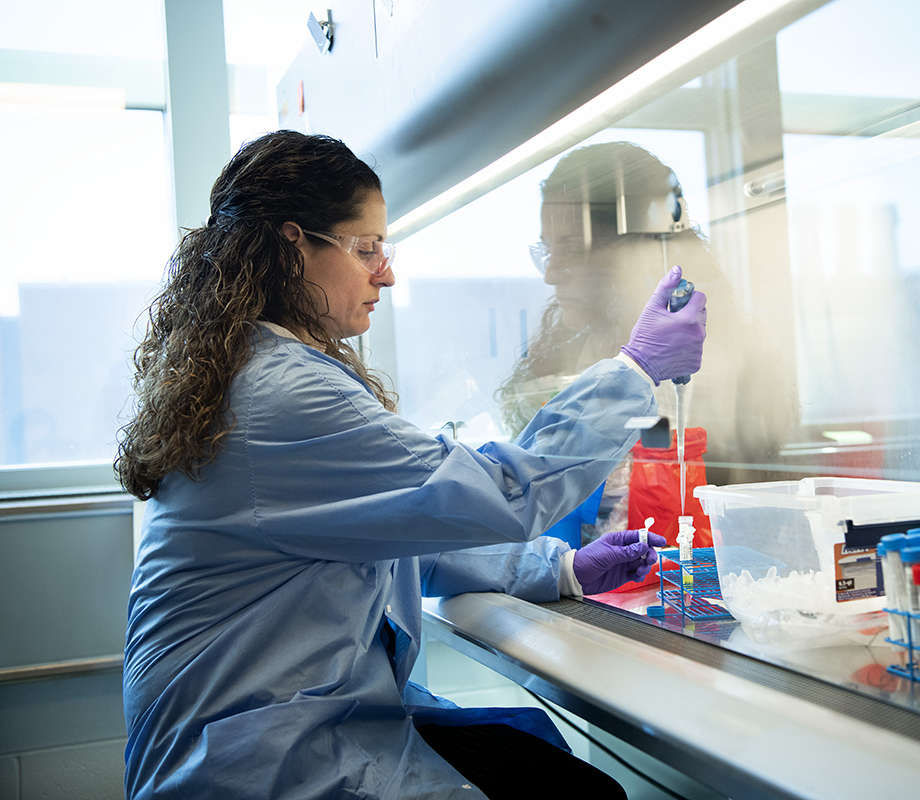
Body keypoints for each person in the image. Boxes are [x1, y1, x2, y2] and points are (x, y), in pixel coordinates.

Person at [114, 130, 706, 800]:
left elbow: (390, 534)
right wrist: (636, 371)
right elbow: (494, 493)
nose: (386, 273)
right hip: (260, 767)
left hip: (276, 728)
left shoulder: (257, 370)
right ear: (292, 247)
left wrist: (560, 568)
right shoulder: (279, 393)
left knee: (556, 776)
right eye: (366, 248)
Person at [497, 142, 796, 538]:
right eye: (548, 250)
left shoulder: (705, 364)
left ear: (636, 250)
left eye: (569, 249)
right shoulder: (571, 350)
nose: (551, 273)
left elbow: (721, 518)